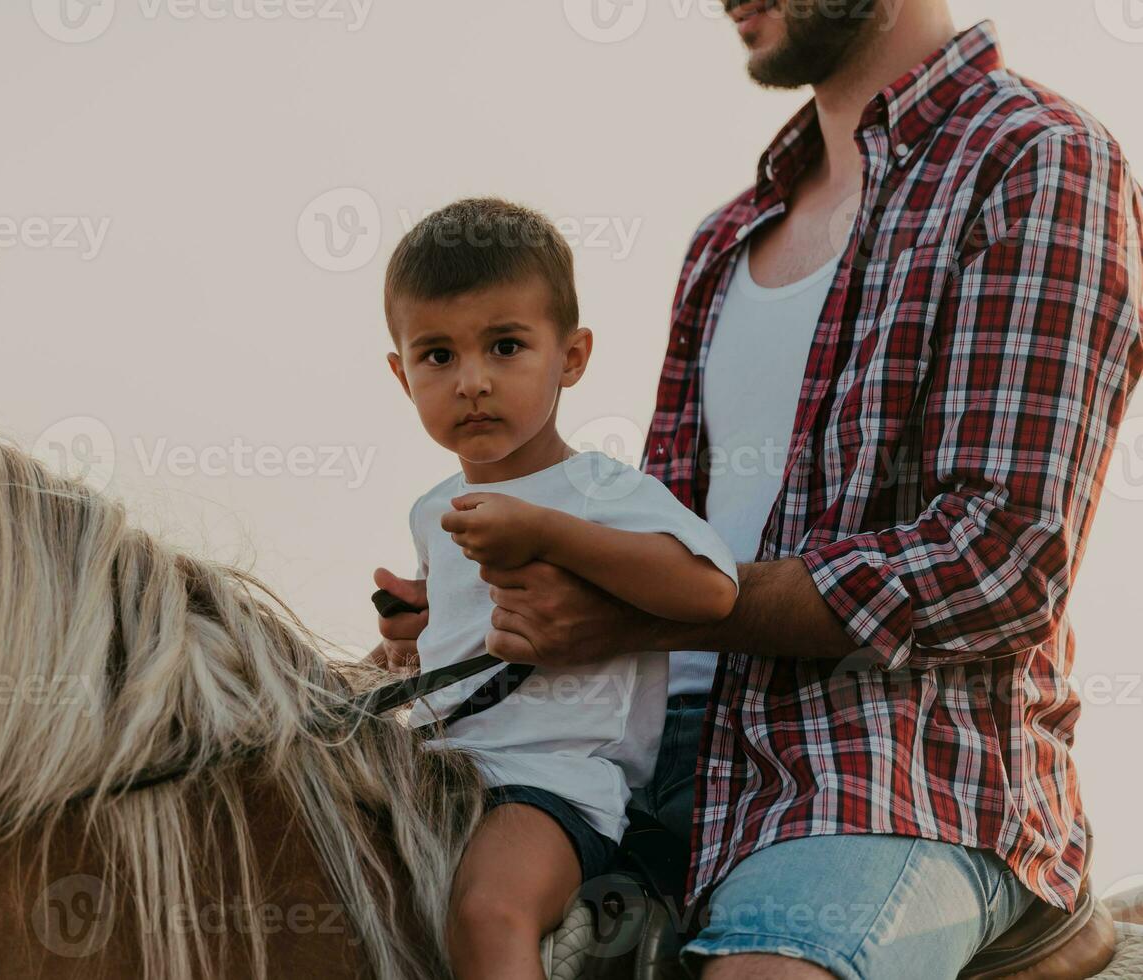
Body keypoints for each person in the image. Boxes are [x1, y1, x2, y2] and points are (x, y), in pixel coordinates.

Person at [376, 5, 1143, 979]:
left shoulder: (1035, 160)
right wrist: (480, 613)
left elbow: (998, 559)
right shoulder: (726, 238)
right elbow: (658, 523)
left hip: (887, 778)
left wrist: (642, 615)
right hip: (641, 777)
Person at [367, 197, 740, 980]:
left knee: (487, 913)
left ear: (571, 357)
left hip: (552, 783)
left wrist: (551, 536)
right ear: (401, 376)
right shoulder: (432, 511)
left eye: (506, 346)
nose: (472, 382)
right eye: (438, 356)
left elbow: (711, 594)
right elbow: (463, 634)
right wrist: (406, 639)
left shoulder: (602, 493)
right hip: (438, 765)